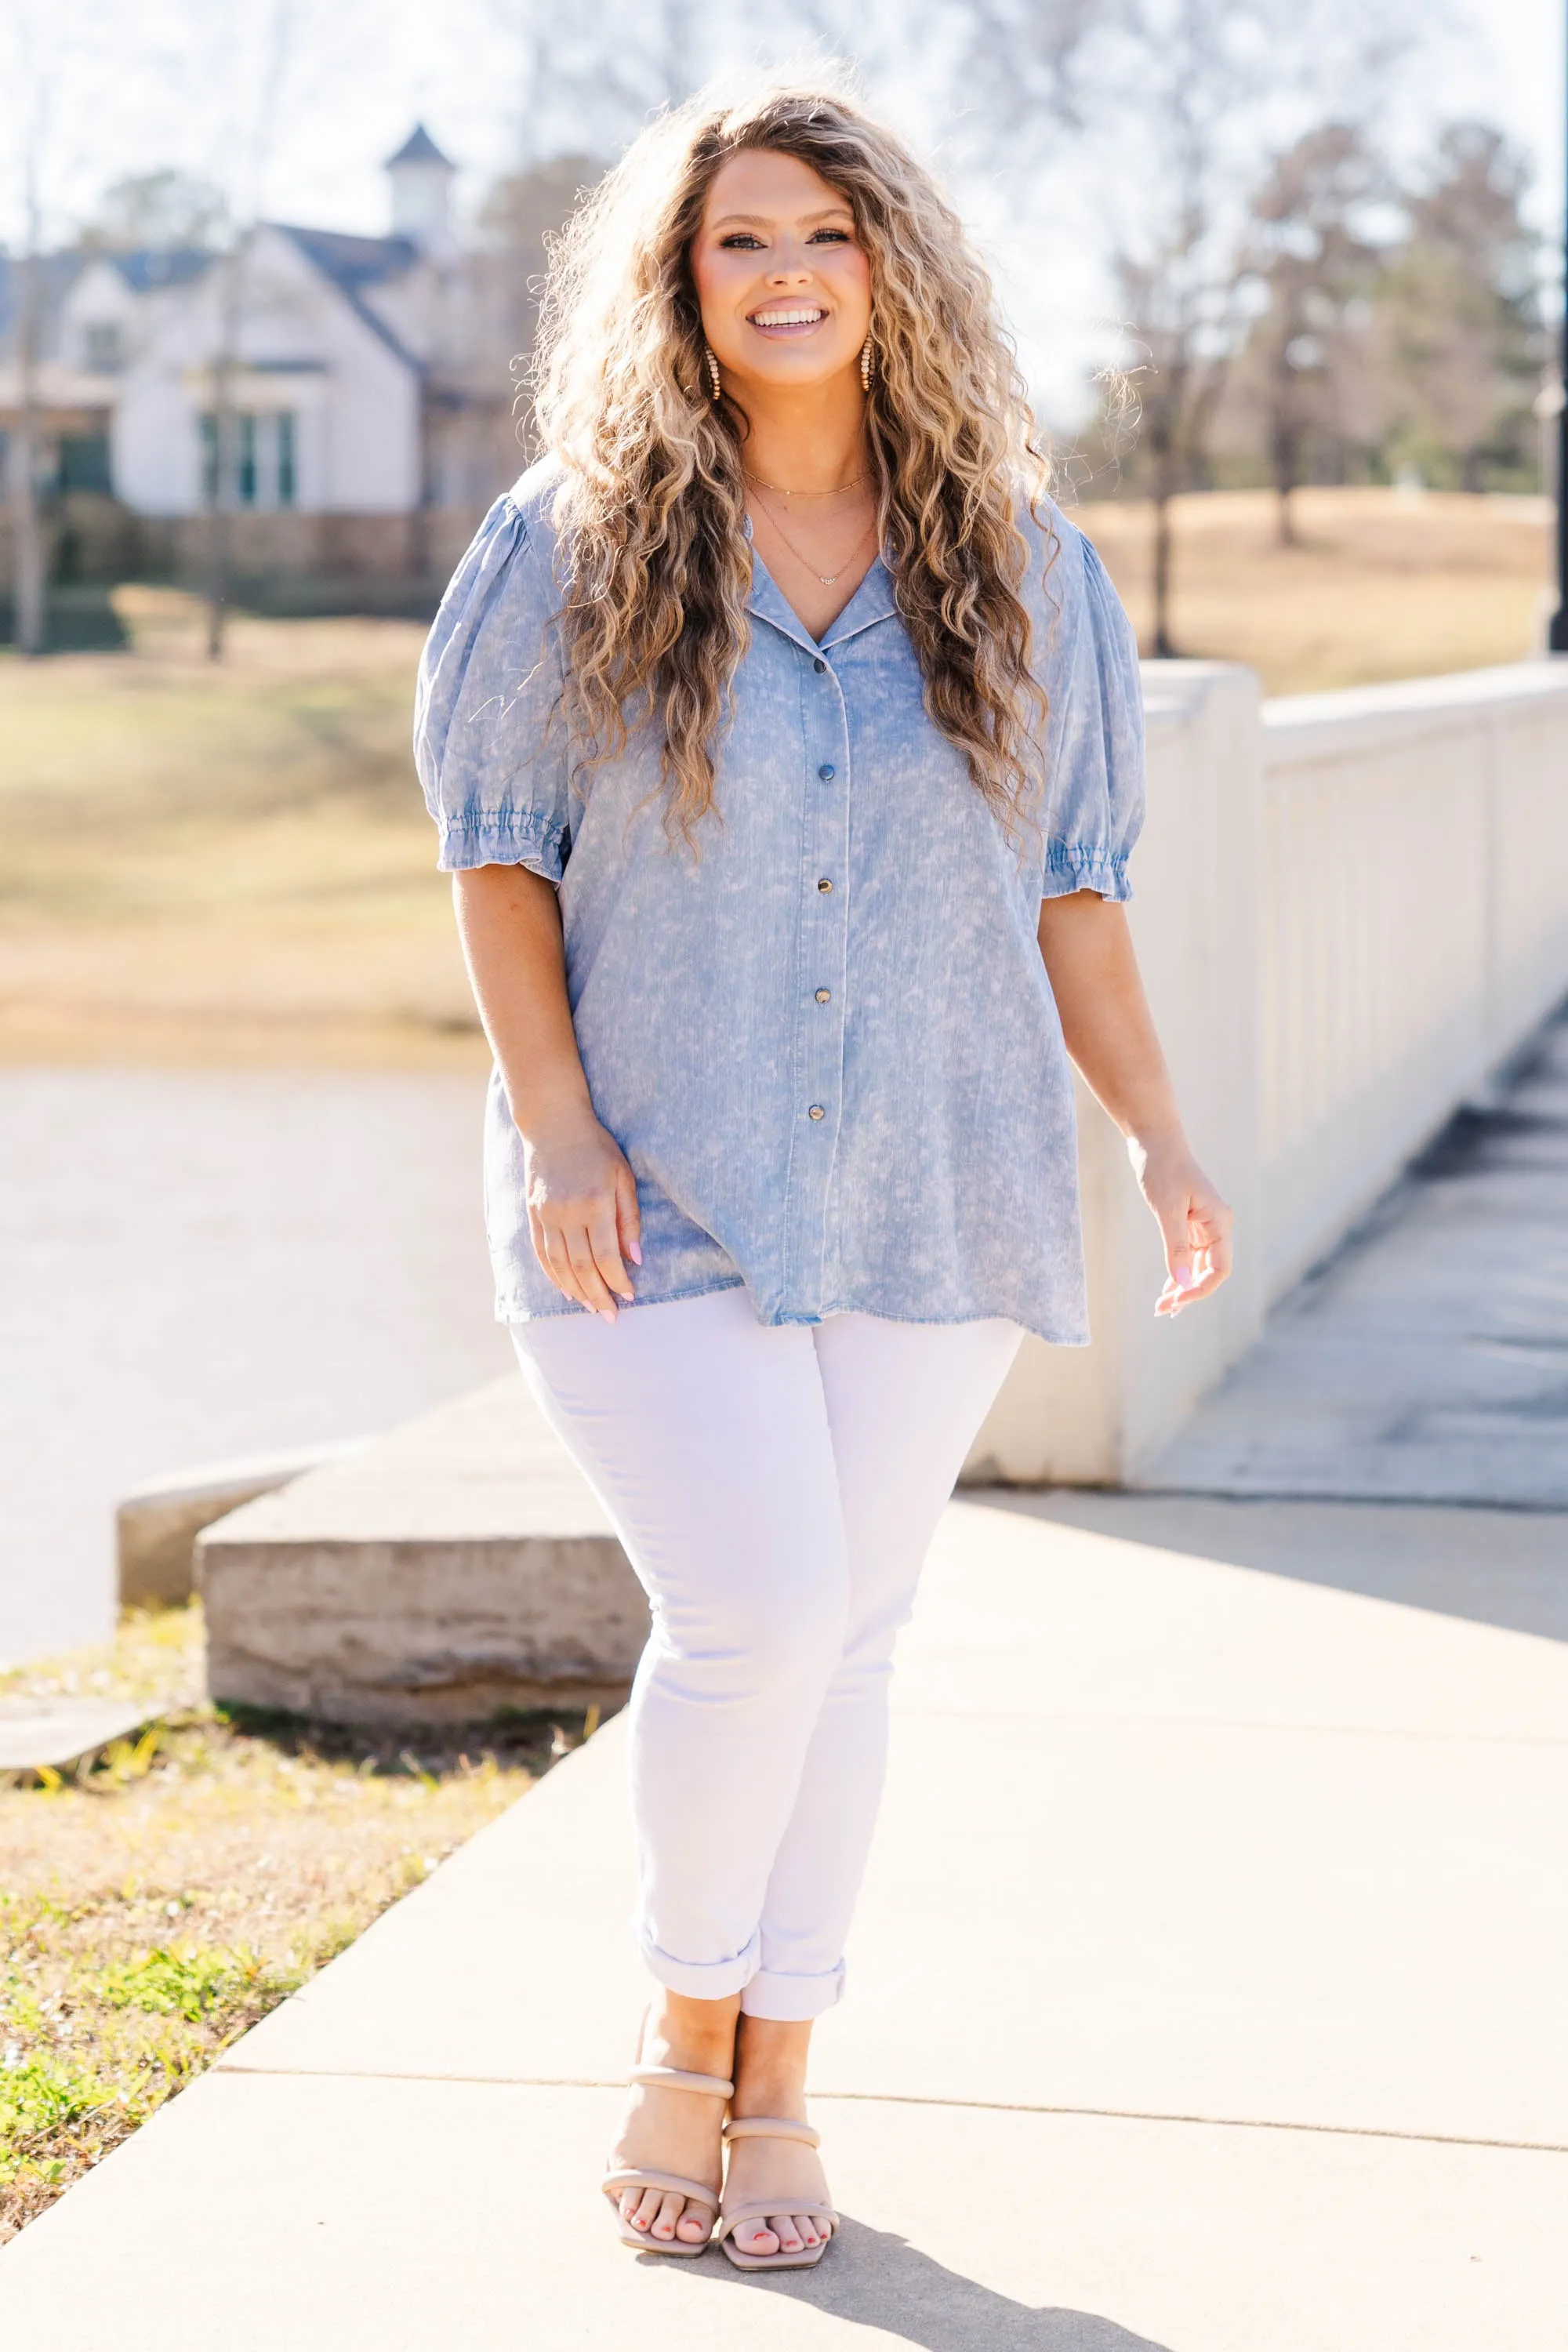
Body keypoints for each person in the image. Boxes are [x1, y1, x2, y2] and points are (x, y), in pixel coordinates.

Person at [415, 79, 1232, 2273]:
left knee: (850, 1640)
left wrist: (1160, 1135)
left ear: (895, 271)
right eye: (735, 243)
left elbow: (1073, 890)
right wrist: (562, 1129)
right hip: (643, 1186)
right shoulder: (565, 546)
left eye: (823, 240)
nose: (782, 278)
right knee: (759, 1611)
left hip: (938, 1177)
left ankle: (786, 2067)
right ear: (680, 288)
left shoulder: (1030, 570)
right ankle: (689, 2032)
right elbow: (498, 863)